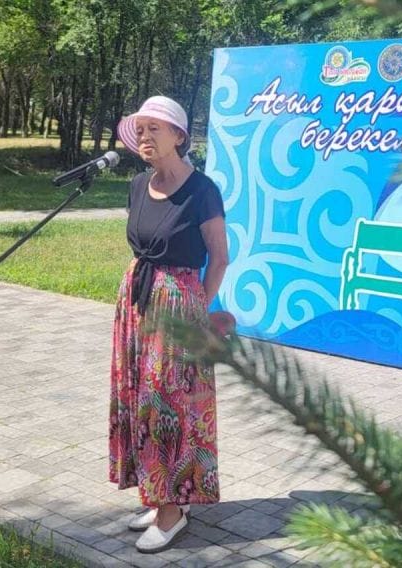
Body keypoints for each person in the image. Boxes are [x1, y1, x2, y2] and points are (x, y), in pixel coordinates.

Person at [109, 96, 228, 553]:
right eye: (139, 129)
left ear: (179, 136)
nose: (144, 136)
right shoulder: (138, 184)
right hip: (137, 302)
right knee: (139, 399)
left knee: (168, 406)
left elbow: (219, 257)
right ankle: (158, 493)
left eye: (154, 128)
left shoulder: (202, 190)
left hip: (178, 306)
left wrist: (196, 309)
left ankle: (173, 510)